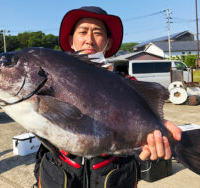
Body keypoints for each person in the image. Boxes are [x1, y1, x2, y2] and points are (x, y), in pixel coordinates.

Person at [34, 6, 182, 188]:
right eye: (82, 32)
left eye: (97, 33)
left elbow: (141, 119)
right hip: (60, 172)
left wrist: (160, 130)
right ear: (71, 40)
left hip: (114, 176)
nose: (89, 40)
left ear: (108, 43)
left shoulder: (126, 83)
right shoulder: (50, 79)